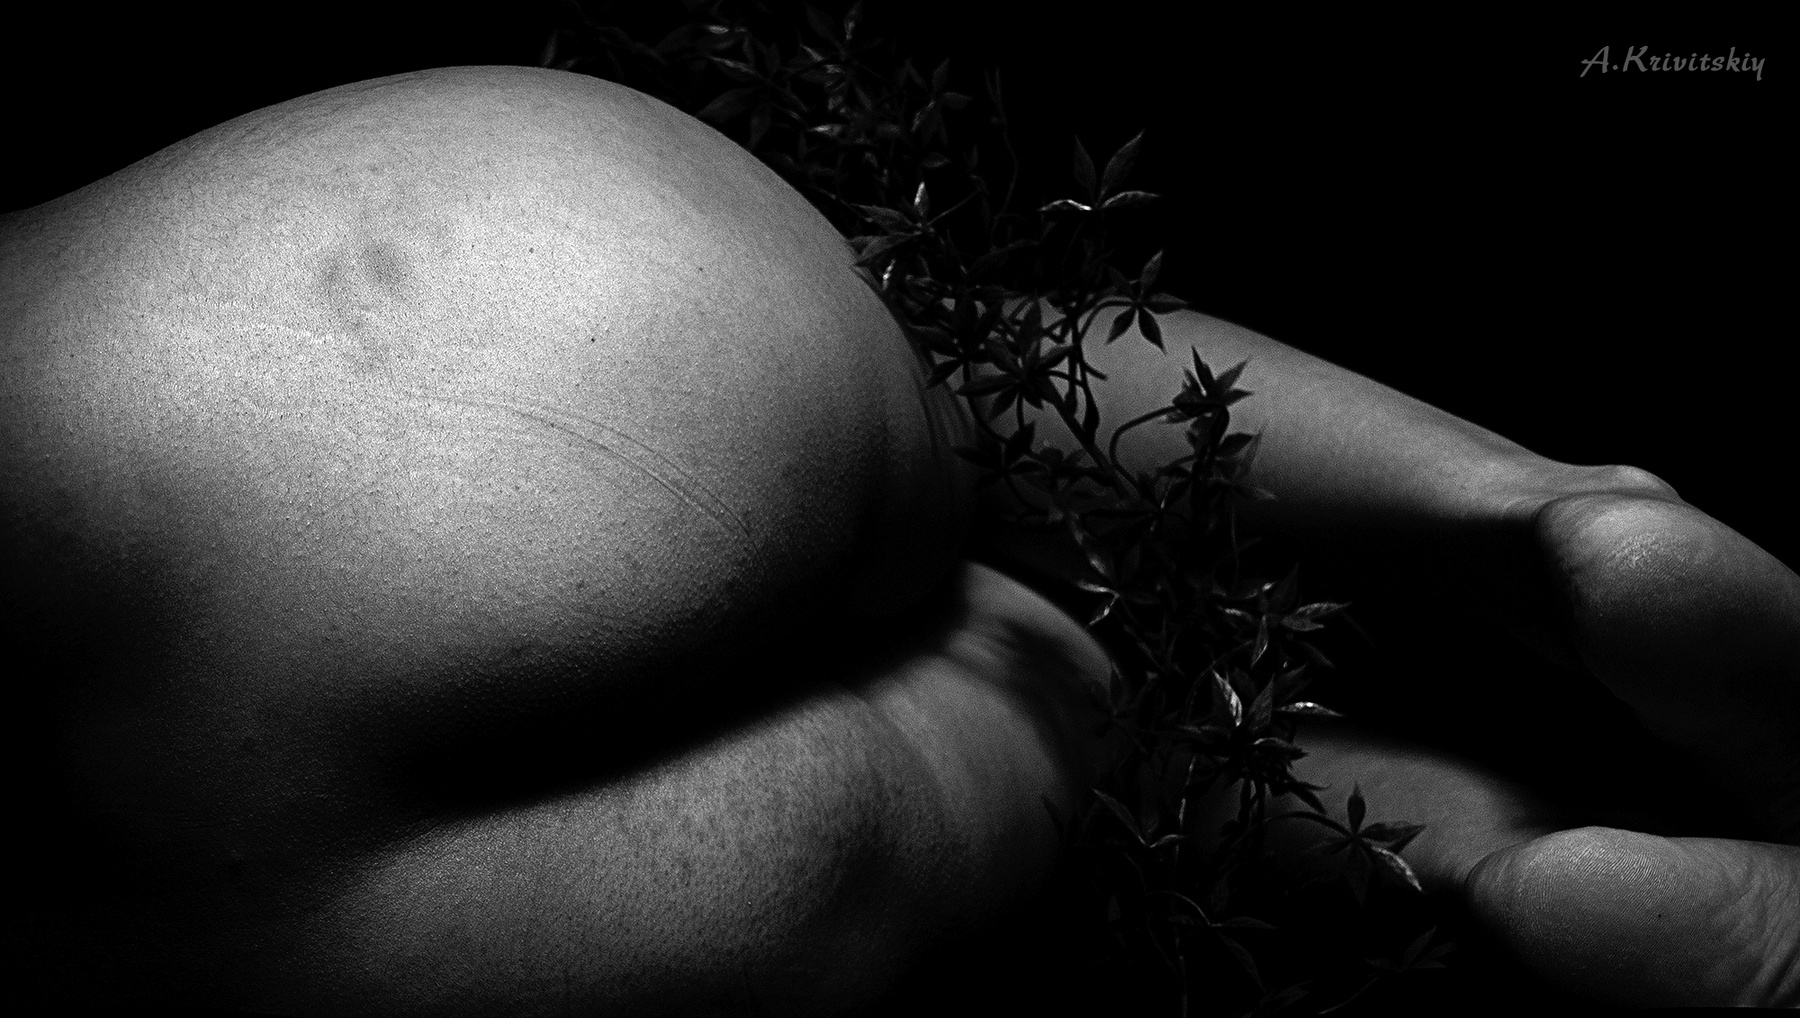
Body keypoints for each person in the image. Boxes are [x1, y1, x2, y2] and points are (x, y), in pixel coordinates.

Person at [1, 65, 1794, 1013]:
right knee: (961, 383)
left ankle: (1494, 864)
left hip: (316, 900)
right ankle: (1549, 519)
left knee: (1059, 704)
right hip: (426, 295)